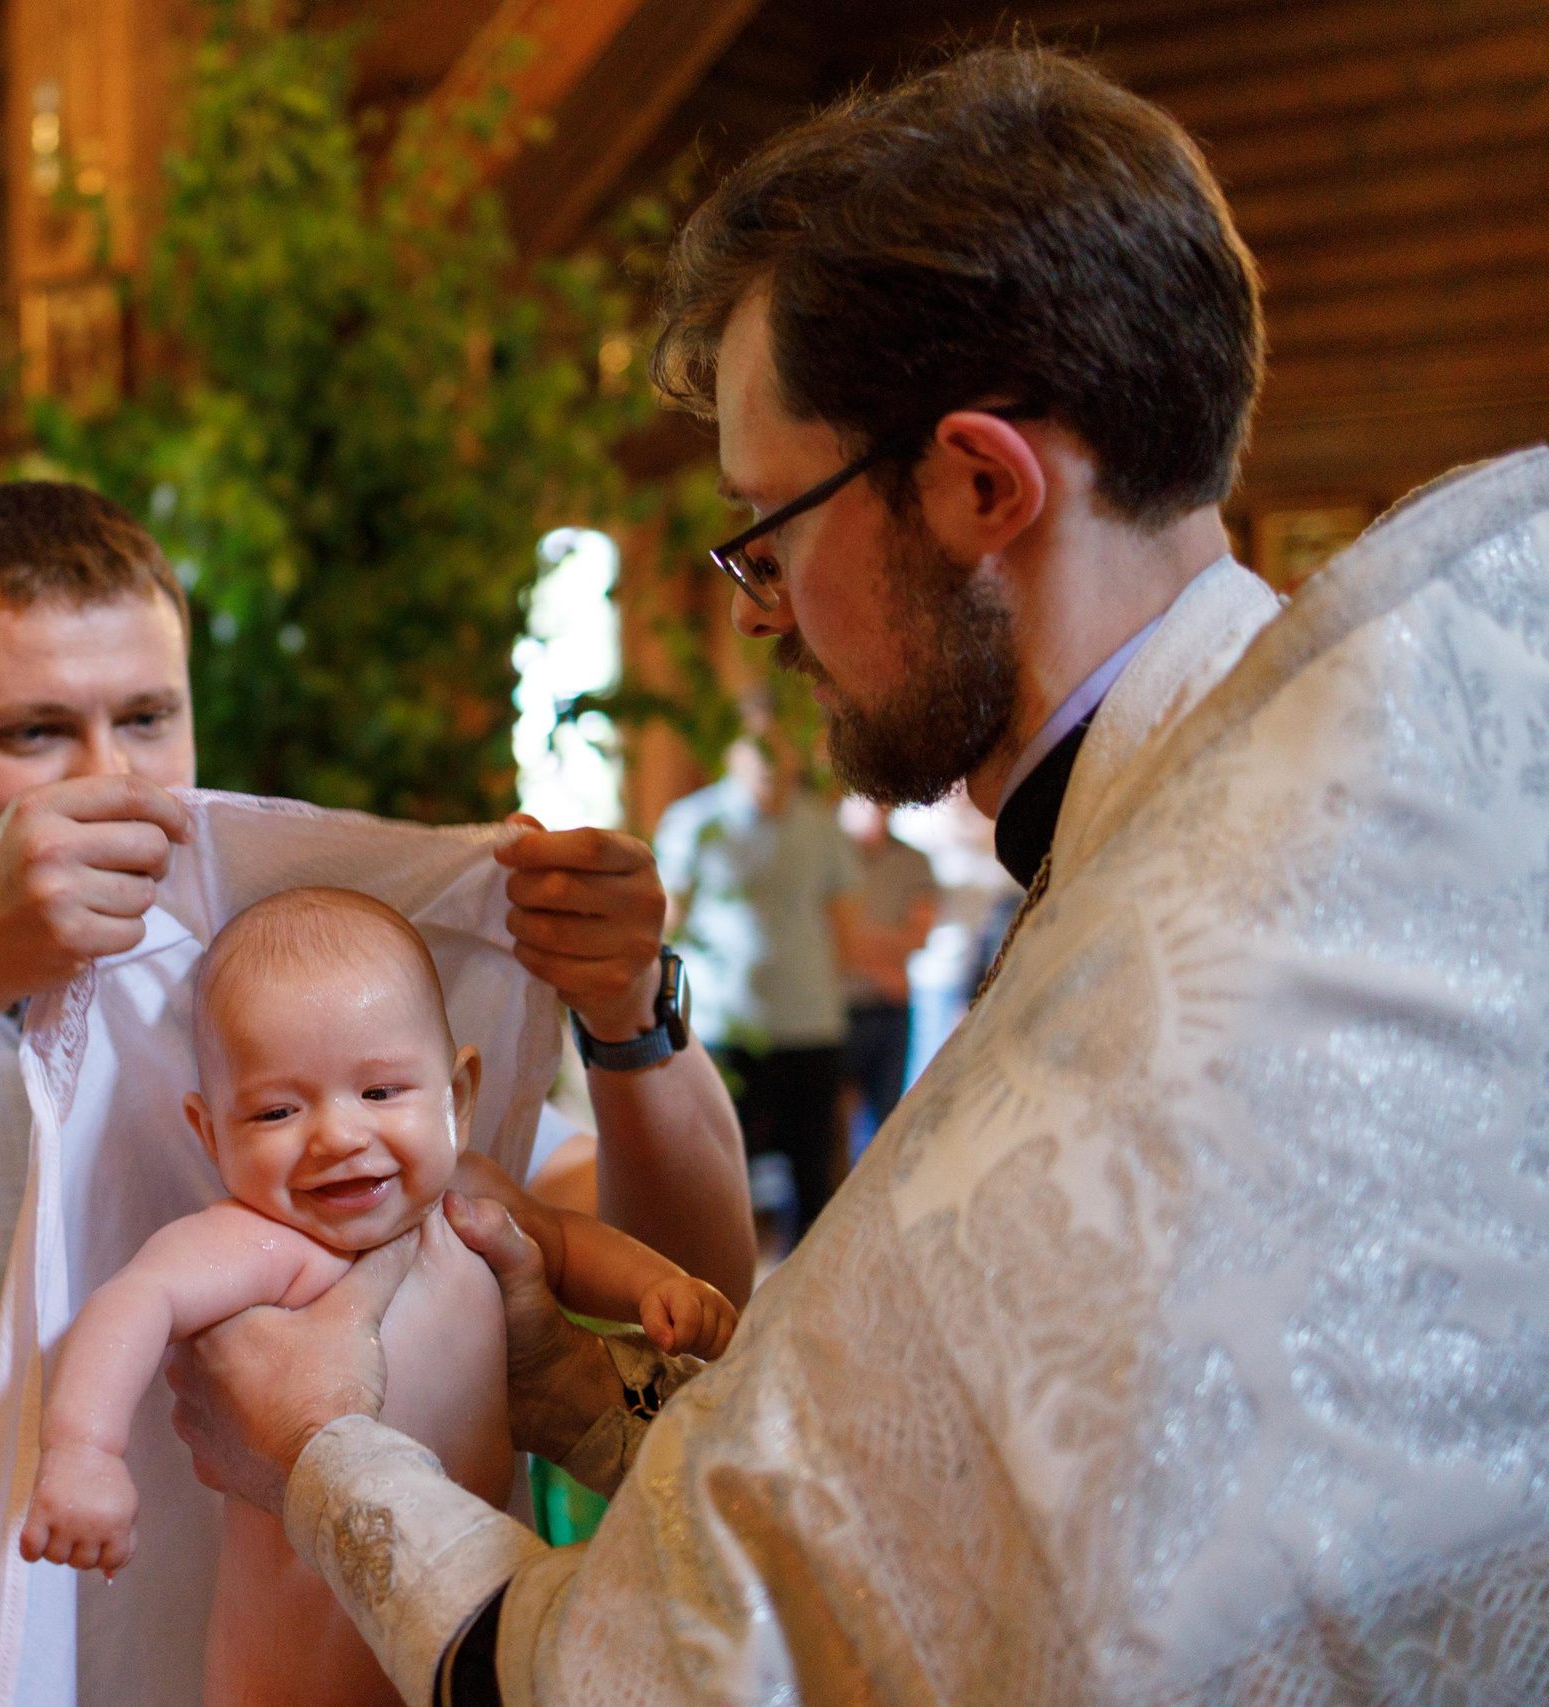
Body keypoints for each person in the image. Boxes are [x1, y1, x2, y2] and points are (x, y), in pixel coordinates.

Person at [161, 47, 1549, 1705]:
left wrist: (322, 1446)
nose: (759, 611)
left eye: (768, 532)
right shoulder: (1385, 805)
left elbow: (645, 1680)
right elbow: (905, 1528)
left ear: (980, 485)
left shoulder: (1134, 1039)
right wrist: (568, 1387)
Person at [0, 481, 755, 1707]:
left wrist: (628, 1015)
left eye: (147, 718)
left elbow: (690, 1289)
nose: (109, 781)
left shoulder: (281, 1012)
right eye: (33, 735)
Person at [19, 889, 735, 1706]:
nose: (338, 1135)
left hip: (474, 1641)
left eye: (382, 1092)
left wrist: (658, 1284)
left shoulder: (472, 1203)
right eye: (278, 1109)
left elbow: (567, 1243)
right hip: (292, 1684)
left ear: (457, 1097)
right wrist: (82, 1453)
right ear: (211, 1133)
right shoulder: (261, 1247)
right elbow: (133, 1301)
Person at [652, 717, 858, 1239]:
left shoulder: (822, 824)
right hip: (725, 1024)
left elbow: (844, 926)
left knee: (814, 1177)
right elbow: (664, 921)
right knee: (719, 1176)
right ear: (732, 751)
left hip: (809, 1021)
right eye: (757, 743)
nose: (769, 757)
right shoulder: (695, 822)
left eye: (779, 744)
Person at [831, 794, 937, 1130]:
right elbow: (827, 942)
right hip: (839, 1010)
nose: (875, 810)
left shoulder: (914, 861)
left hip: (892, 1007)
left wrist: (855, 943)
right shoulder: (830, 859)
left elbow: (918, 938)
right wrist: (884, 950)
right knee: (834, 1123)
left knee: (888, 1121)